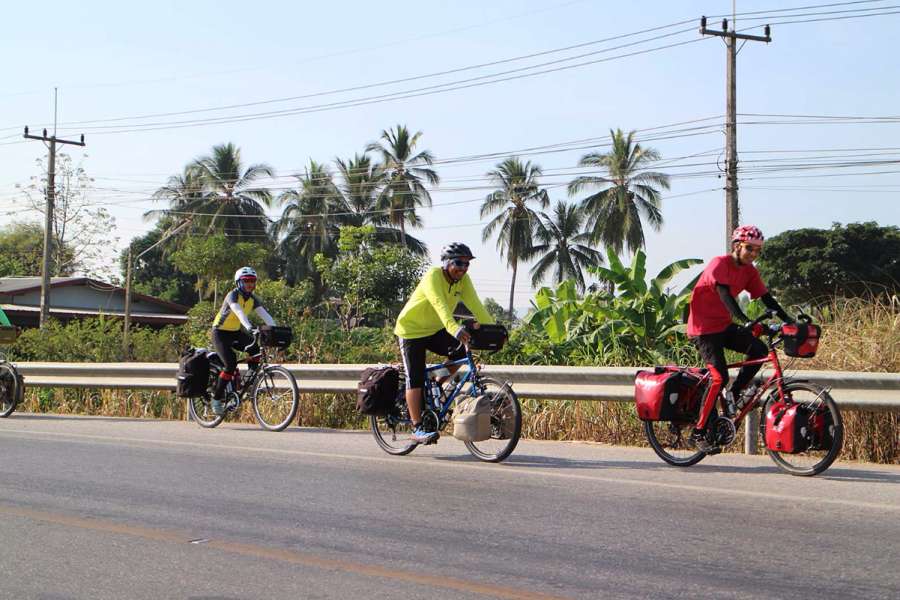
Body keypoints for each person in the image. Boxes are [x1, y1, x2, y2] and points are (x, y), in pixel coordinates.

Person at [686, 225, 794, 452]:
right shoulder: (719, 263)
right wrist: (745, 319)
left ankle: (734, 395)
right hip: (703, 329)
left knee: (759, 350)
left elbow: (767, 299)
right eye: (749, 249)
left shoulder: (749, 272)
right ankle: (698, 432)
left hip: (723, 326)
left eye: (757, 251)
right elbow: (725, 295)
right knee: (718, 378)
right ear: (737, 245)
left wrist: (789, 320)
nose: (753, 254)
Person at [394, 242, 495, 444]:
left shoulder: (464, 281)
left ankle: (436, 383)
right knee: (414, 377)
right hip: (411, 330)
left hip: (433, 329)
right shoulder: (433, 276)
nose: (463, 268)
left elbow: (476, 305)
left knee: (459, 355)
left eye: (467, 264)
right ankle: (417, 427)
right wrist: (454, 328)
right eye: (459, 263)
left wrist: (493, 329)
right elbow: (440, 305)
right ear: (447, 263)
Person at [210, 267, 276, 415]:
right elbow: (239, 313)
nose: (250, 284)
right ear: (238, 282)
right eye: (246, 281)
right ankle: (216, 398)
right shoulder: (232, 295)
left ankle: (244, 386)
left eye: (252, 281)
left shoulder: (252, 299)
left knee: (256, 352)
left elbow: (266, 316)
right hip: (219, 333)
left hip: (235, 332)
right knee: (230, 363)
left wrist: (276, 330)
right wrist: (249, 327)